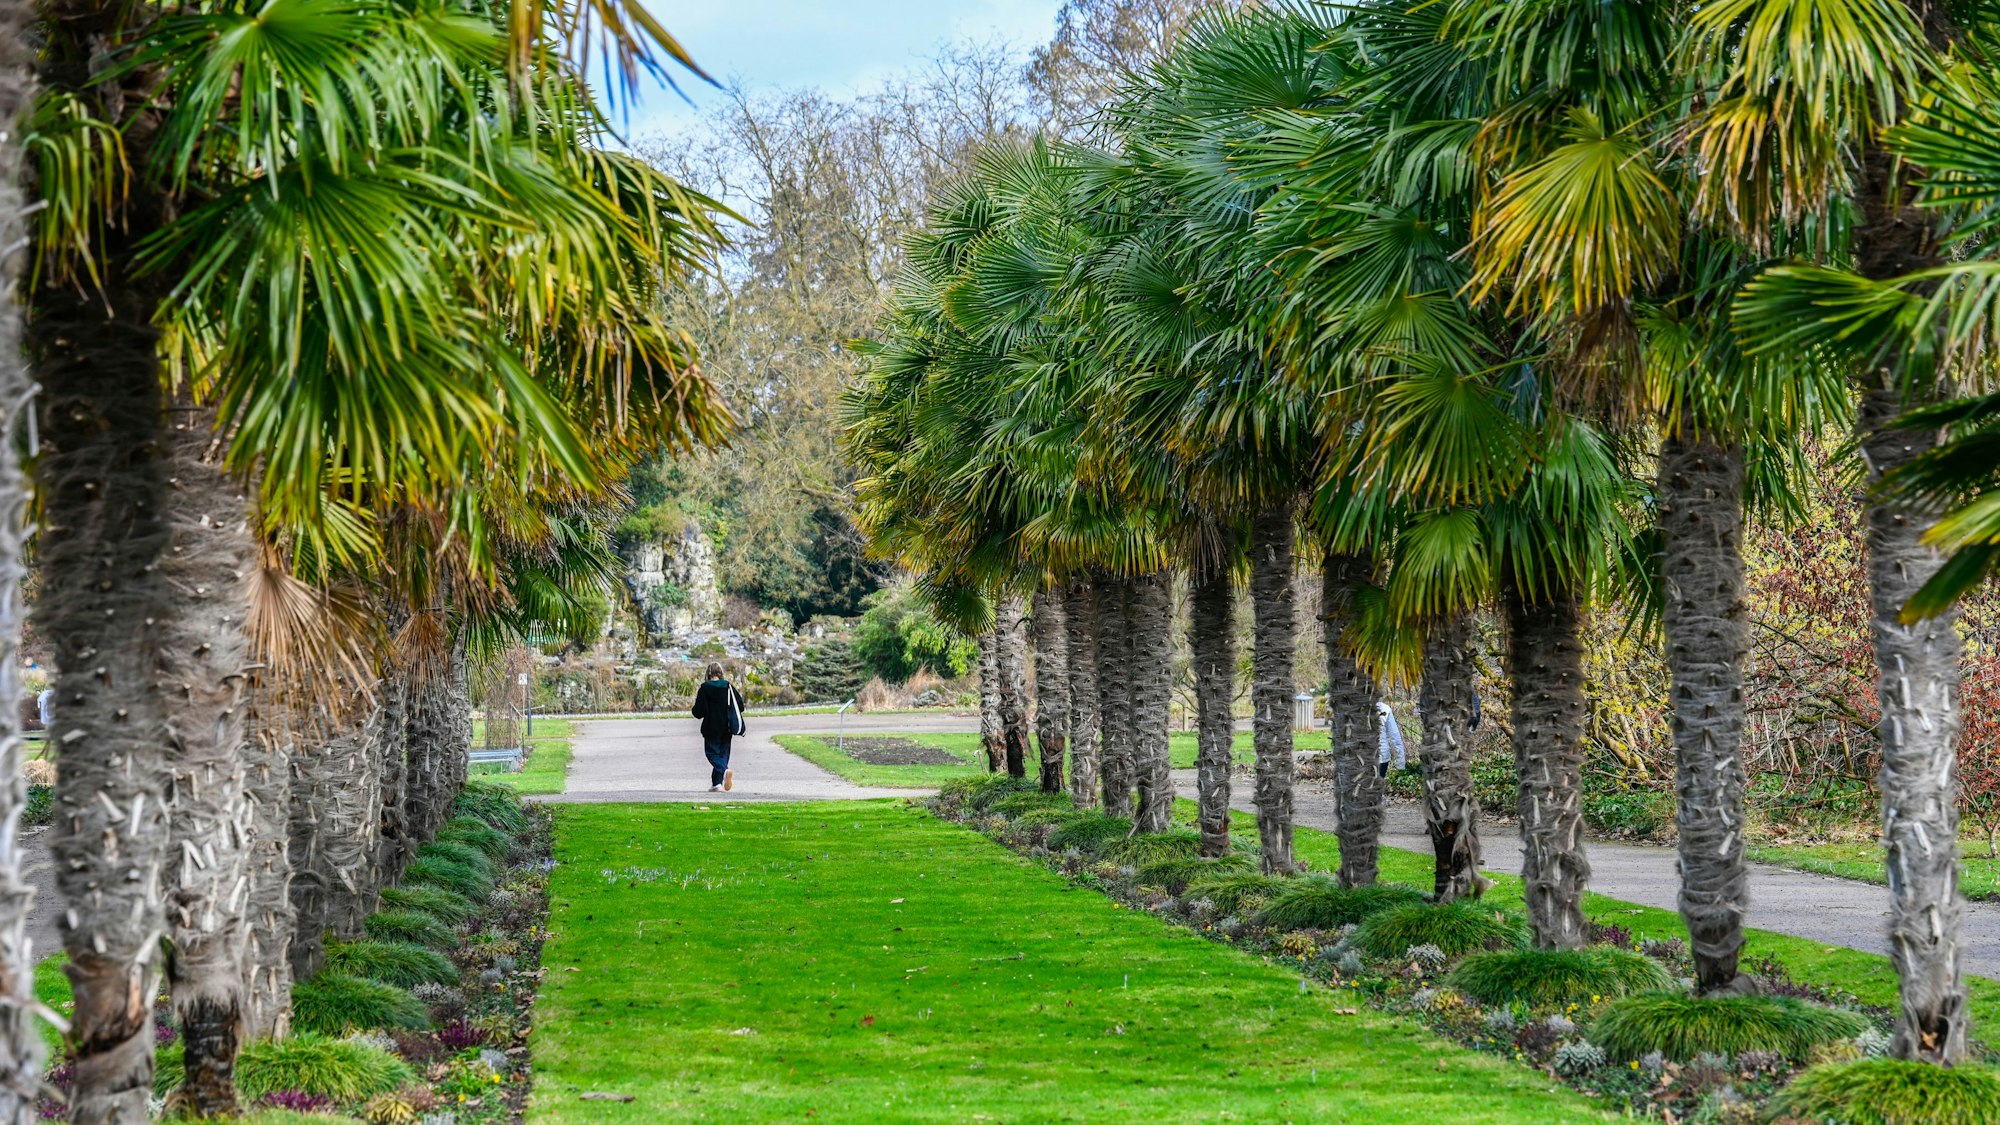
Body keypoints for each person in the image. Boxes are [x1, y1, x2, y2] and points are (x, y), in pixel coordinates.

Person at [690, 662, 745, 792]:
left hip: (711, 726)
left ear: (708, 673)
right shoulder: (728, 686)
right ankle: (717, 783)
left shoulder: (705, 688)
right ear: (720, 673)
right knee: (723, 754)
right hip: (727, 726)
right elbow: (740, 706)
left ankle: (725, 771)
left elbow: (699, 711)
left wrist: (695, 710)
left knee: (711, 753)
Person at [1376, 699, 1406, 779]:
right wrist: (1400, 765)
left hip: (1381, 757)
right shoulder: (1384, 708)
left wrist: (1400, 764)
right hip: (1379, 756)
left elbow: (1395, 737)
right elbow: (1395, 737)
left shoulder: (1384, 708)